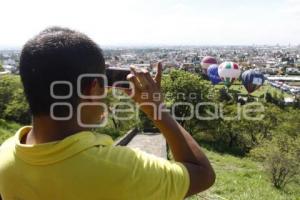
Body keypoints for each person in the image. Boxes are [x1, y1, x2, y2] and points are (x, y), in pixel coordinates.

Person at [0, 27, 215, 200]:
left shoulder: (6, 155)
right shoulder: (122, 171)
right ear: (92, 89)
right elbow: (202, 174)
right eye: (103, 83)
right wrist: (157, 110)